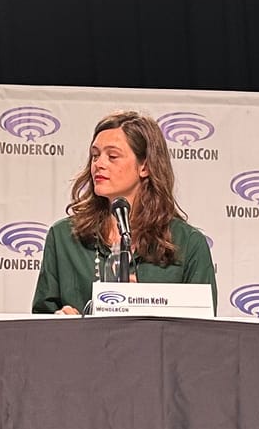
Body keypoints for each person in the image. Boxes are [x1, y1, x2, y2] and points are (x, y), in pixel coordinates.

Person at [32, 111, 216, 315]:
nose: (98, 164)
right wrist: (57, 322)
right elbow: (40, 324)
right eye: (95, 155)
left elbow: (203, 334)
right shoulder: (64, 237)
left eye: (112, 156)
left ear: (145, 166)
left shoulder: (188, 244)